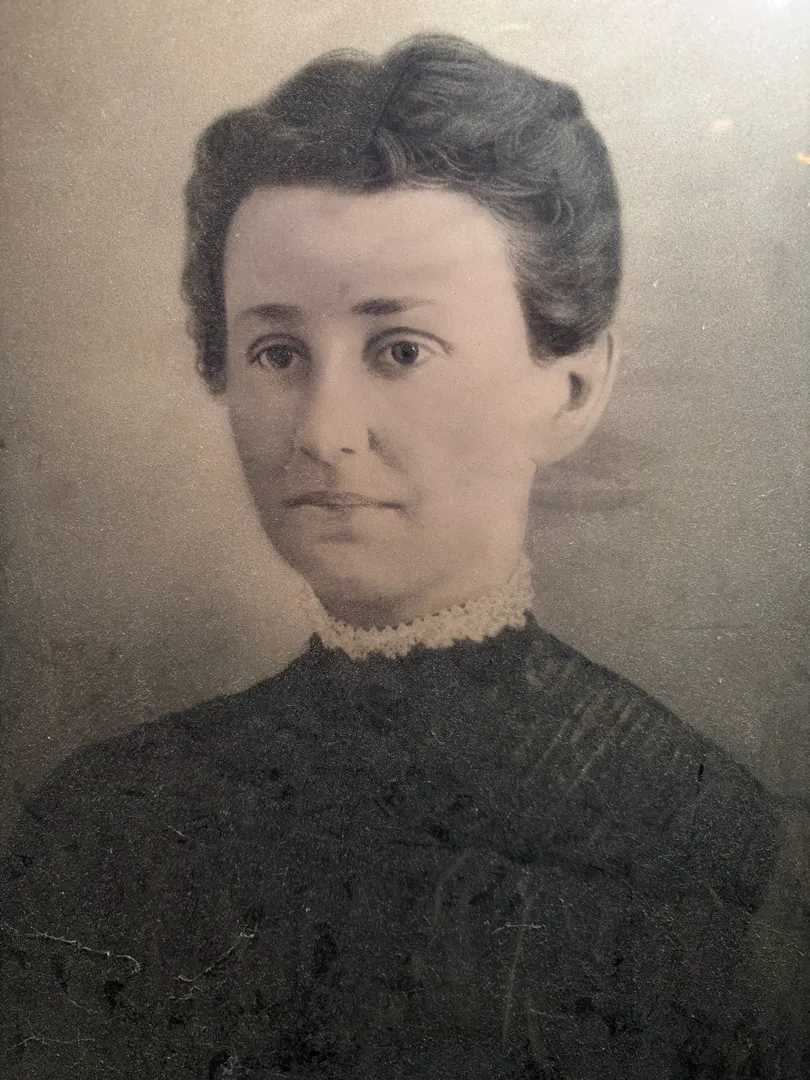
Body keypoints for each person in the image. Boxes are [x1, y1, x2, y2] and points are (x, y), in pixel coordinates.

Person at [0, 34, 801, 1080]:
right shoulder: (110, 817)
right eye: (277, 352)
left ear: (570, 390)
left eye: (401, 350)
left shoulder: (690, 825)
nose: (324, 431)